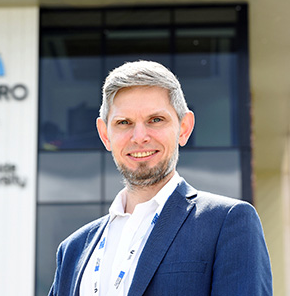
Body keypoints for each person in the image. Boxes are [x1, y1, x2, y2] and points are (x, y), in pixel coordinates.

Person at [48, 60, 272, 296]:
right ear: (105, 135)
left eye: (156, 120)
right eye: (124, 123)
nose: (139, 136)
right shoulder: (73, 250)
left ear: (184, 128)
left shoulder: (227, 222)